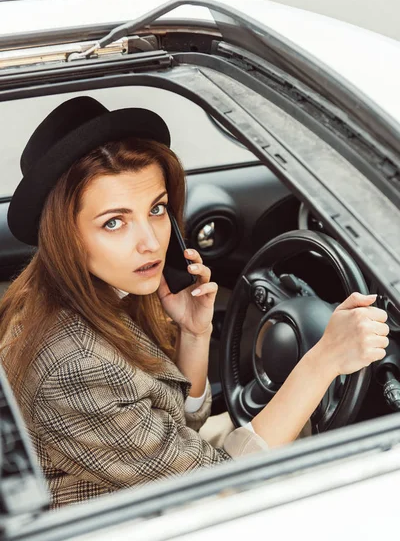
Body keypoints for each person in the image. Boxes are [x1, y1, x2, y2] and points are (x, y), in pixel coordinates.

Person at [0, 96, 389, 509]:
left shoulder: (92, 293)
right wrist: (323, 360)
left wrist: (193, 332)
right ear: (66, 236)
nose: (150, 242)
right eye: (113, 222)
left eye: (157, 209)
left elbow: (179, 424)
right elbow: (219, 487)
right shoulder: (73, 368)